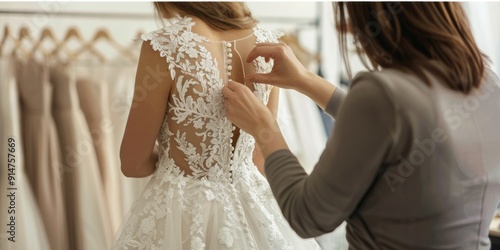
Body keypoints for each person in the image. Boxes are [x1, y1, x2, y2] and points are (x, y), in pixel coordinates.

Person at [223, 2, 500, 250]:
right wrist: (307, 80)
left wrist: (265, 128)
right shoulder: (487, 83)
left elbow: (307, 215)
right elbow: (398, 131)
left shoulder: (381, 95)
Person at [111, 2, 321, 249]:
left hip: (180, 215)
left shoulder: (165, 46)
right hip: (254, 206)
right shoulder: (267, 44)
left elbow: (133, 163)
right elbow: (260, 157)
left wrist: (176, 161)